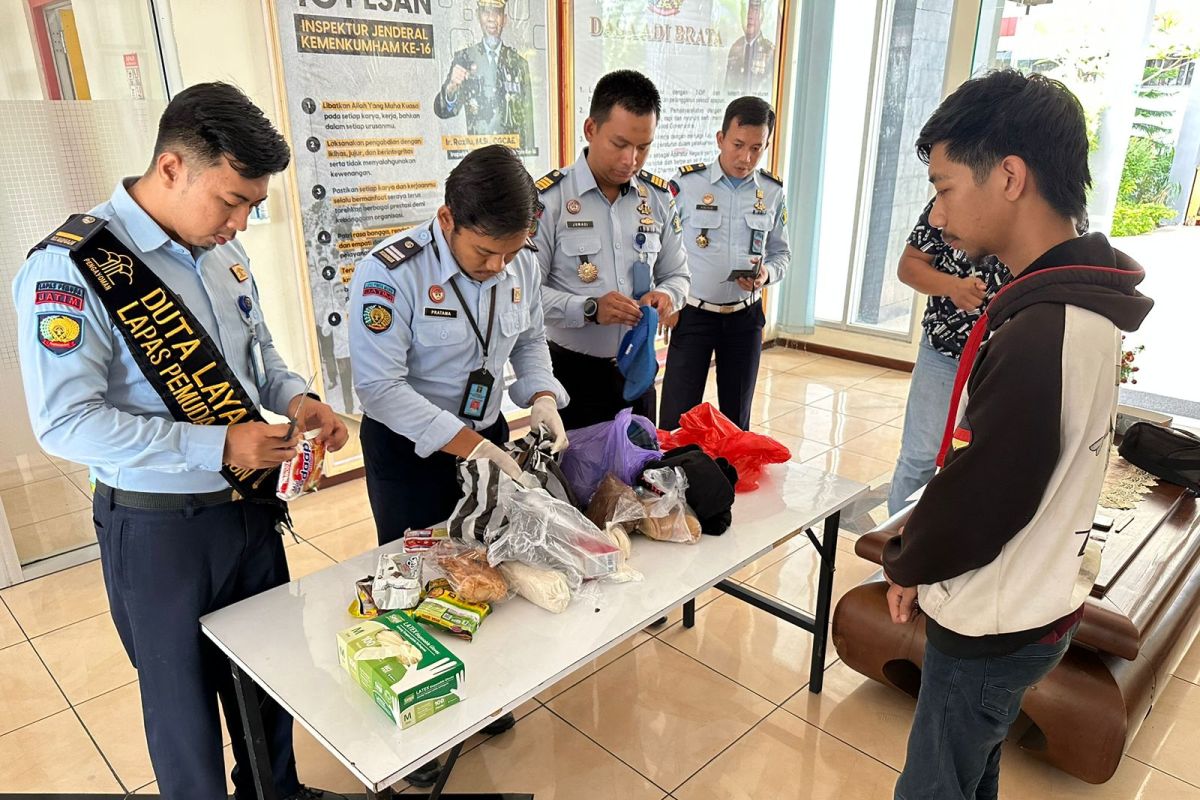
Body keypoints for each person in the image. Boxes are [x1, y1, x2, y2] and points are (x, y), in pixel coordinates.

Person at [12, 82, 348, 800]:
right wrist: (218, 447)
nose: (242, 223)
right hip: (160, 529)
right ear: (171, 168)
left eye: (254, 207)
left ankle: (278, 793)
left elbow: (260, 358)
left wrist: (299, 398)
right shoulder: (73, 269)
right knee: (183, 708)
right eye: (231, 201)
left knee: (268, 676)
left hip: (250, 511)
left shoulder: (223, 256)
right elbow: (65, 421)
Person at [882, 70, 1153, 800]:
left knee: (935, 785)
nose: (936, 218)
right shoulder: (1076, 308)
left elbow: (985, 496)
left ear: (1008, 176)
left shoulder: (1045, 330)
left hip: (993, 619)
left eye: (943, 189)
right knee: (975, 769)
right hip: (1037, 601)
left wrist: (907, 559)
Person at [349, 144, 568, 787]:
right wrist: (473, 447)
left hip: (487, 435)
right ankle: (422, 733)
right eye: (484, 254)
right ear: (448, 221)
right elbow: (381, 389)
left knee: (484, 569)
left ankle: (482, 692)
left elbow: (529, 343)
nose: (499, 266)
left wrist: (544, 396)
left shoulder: (517, 260)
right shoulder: (390, 274)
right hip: (411, 450)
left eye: (510, 252)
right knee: (418, 582)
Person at [532, 69, 689, 429]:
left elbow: (679, 274)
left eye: (643, 147)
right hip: (572, 374)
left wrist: (666, 296)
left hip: (640, 371)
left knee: (642, 478)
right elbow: (525, 297)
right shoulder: (549, 200)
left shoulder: (659, 199)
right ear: (591, 129)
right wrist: (588, 308)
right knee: (575, 483)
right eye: (620, 144)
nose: (630, 160)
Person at [659, 96, 789, 431]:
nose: (746, 158)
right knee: (677, 418)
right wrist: (667, 299)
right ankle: (671, 478)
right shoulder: (686, 186)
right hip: (693, 315)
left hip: (744, 320)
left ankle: (727, 481)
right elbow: (659, 248)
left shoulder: (772, 192)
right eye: (738, 145)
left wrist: (766, 274)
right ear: (720, 139)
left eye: (757, 148)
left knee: (736, 422)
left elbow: (782, 254)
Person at [885, 202, 1008, 515]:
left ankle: (955, 556)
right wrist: (952, 286)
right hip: (943, 351)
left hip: (1005, 363)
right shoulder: (950, 200)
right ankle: (896, 555)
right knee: (919, 456)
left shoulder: (1042, 210)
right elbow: (909, 265)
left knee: (984, 466)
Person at [433, 0, 535, 151]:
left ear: (504, 19)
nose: (491, 18)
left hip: (509, 159)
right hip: (479, 158)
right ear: (478, 16)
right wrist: (451, 88)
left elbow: (527, 122)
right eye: (486, 12)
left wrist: (528, 156)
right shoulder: (464, 58)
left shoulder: (518, 63)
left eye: (497, 12)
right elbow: (442, 111)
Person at [724, 0, 775, 96]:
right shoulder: (735, 49)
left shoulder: (769, 51)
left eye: (755, 10)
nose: (749, 16)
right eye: (745, 11)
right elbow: (726, 88)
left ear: (762, 17)